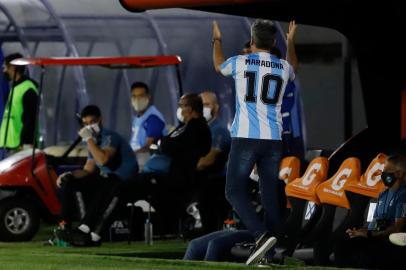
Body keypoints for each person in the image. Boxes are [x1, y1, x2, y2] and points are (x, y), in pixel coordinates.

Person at [212, 18, 296, 265]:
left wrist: (217, 39)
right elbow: (295, 66)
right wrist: (291, 42)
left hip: (246, 138)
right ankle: (270, 254)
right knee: (269, 195)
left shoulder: (240, 62)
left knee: (233, 190)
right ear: (273, 41)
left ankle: (261, 238)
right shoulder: (282, 67)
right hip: (273, 139)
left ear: (251, 41)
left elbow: (218, 65)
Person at [56, 105, 138, 247]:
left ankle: (87, 230)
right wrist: (69, 174)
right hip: (109, 183)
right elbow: (88, 170)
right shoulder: (92, 142)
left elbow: (103, 160)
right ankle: (66, 227)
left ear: (100, 120)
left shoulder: (110, 137)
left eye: (92, 122)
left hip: (125, 182)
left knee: (108, 181)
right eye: (86, 124)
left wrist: (88, 140)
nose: (89, 127)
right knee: (72, 182)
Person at [333, 154, 406, 269]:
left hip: (396, 242)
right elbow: (382, 222)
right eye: (383, 171)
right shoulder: (383, 194)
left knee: (368, 253)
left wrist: (370, 234)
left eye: (387, 171)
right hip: (379, 237)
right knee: (342, 242)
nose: (383, 174)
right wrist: (363, 230)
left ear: (400, 173)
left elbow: (397, 227)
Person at [196, 91, 231, 232]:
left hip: (216, 183)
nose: (203, 108)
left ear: (216, 108)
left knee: (212, 222)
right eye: (200, 105)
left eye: (206, 105)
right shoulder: (203, 129)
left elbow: (208, 161)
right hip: (205, 182)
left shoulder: (219, 130)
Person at [0, 53, 38, 155]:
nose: (4, 71)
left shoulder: (28, 88)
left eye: (5, 67)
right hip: (12, 145)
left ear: (12, 68)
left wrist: (26, 143)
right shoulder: (15, 88)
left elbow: (30, 118)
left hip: (21, 146)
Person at [129, 81, 166, 170]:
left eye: (141, 96)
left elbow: (148, 147)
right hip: (136, 158)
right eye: (134, 96)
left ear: (148, 97)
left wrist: (129, 155)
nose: (137, 100)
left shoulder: (153, 118)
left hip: (147, 160)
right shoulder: (138, 118)